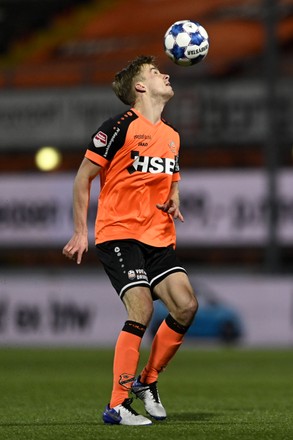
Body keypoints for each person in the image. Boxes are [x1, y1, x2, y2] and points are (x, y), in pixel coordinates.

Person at [62, 55, 198, 426]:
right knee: (141, 309)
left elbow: (172, 174)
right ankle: (117, 405)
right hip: (119, 233)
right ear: (140, 87)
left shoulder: (172, 135)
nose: (165, 73)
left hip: (158, 236)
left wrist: (176, 196)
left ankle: (147, 383)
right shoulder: (118, 127)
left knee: (186, 306)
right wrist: (79, 230)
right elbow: (83, 177)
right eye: (155, 72)